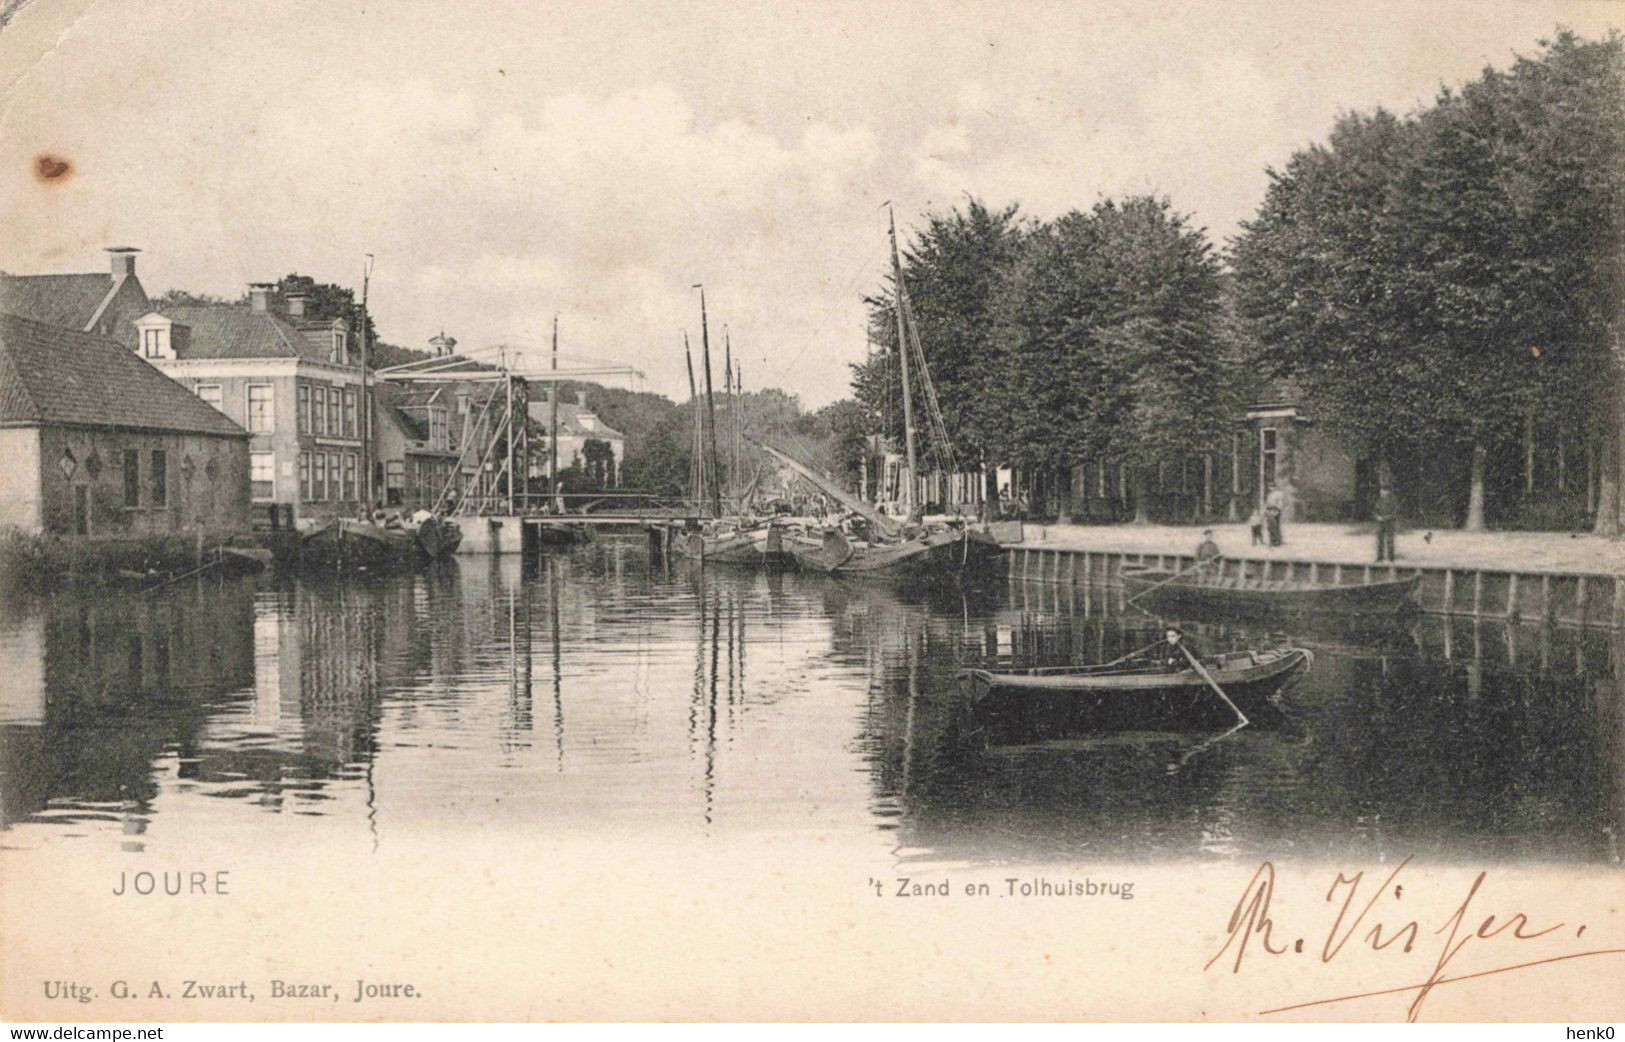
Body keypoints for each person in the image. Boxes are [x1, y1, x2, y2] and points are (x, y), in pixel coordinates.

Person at [1374, 485, 1398, 562]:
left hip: (1389, 523)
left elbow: (1395, 512)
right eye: (1381, 491)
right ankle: (1379, 557)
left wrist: (1385, 517)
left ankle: (1391, 557)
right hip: (1380, 523)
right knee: (1380, 540)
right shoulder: (1379, 501)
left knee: (1390, 540)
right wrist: (1377, 516)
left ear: (1388, 492)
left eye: (1384, 491)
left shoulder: (1392, 501)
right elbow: (1375, 510)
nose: (1382, 492)